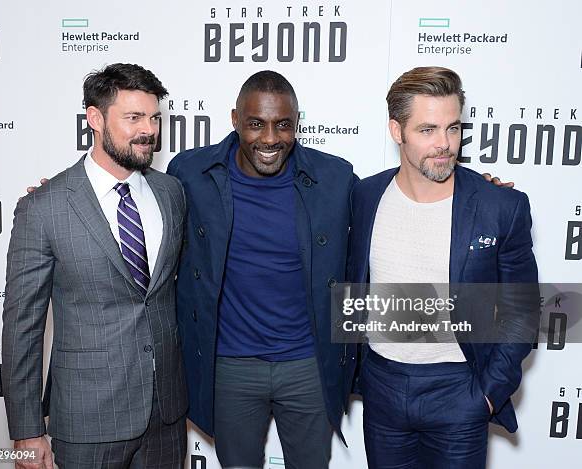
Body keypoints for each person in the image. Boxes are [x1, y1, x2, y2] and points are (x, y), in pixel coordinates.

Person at [347, 66, 539, 468]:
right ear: (396, 132)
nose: (445, 144)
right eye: (427, 130)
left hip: (459, 391)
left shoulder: (499, 206)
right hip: (382, 388)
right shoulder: (365, 196)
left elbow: (522, 312)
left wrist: (487, 394)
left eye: (453, 128)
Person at [166, 70, 358, 469]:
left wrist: (473, 191)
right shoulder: (191, 173)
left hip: (307, 364)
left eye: (282, 125)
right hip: (230, 366)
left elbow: (387, 205)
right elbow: (139, 205)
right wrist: (67, 195)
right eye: (256, 124)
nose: (270, 139)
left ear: (296, 123)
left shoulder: (335, 178)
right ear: (235, 120)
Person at [2, 63, 188, 469]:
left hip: (166, 417)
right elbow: (22, 327)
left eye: (155, 117)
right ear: (95, 119)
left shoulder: (172, 193)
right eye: (134, 117)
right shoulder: (44, 208)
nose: (149, 131)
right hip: (87, 421)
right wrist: (27, 432)